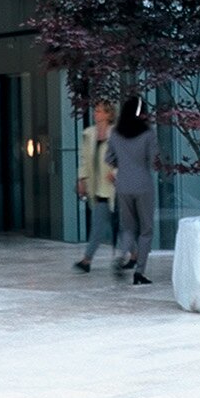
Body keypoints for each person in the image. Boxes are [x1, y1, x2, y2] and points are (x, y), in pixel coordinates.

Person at [108, 99, 159, 285]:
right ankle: (140, 272)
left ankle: (122, 255)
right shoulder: (148, 133)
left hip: (123, 185)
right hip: (143, 184)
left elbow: (109, 158)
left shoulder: (115, 133)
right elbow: (153, 159)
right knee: (146, 230)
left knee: (128, 227)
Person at [71, 100, 116, 273]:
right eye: (95, 110)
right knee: (99, 224)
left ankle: (134, 255)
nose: (95, 114)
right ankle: (87, 260)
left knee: (121, 227)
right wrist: (82, 179)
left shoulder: (117, 134)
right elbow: (84, 159)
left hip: (115, 187)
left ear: (109, 114)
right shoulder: (89, 134)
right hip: (98, 187)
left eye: (99, 111)